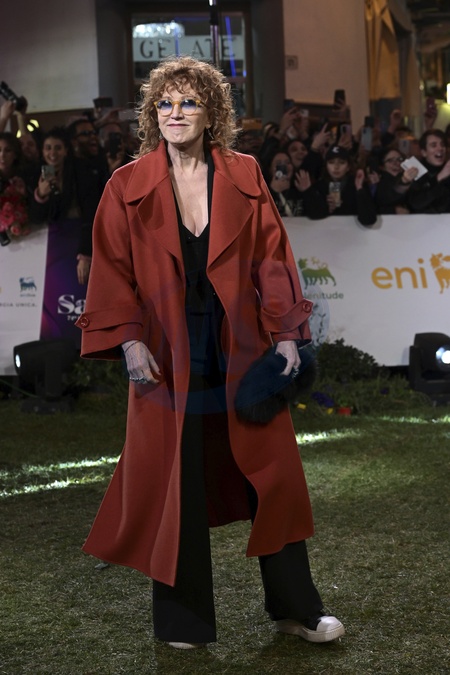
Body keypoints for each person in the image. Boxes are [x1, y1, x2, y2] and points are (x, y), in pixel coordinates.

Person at [76, 56, 344, 650]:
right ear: (153, 113)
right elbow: (112, 272)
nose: (175, 113)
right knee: (175, 483)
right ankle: (184, 623)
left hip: (242, 349)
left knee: (274, 478)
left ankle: (296, 610)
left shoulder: (244, 174)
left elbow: (273, 260)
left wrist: (285, 334)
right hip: (166, 356)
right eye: (165, 103)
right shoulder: (125, 185)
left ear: (211, 112)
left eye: (189, 102)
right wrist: (130, 340)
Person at [298, 145, 377, 226]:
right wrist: (326, 207)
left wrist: (359, 188)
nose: (336, 167)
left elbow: (369, 219)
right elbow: (310, 216)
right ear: (326, 166)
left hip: (352, 231)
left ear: (348, 167)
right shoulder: (319, 186)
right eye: (331, 162)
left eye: (341, 162)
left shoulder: (358, 184)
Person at [407, 129, 450, 213]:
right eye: (434, 145)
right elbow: (416, 203)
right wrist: (439, 177)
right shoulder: (415, 171)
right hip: (424, 220)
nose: (440, 148)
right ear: (424, 152)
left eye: (442, 145)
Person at [372, 147, 418, 214]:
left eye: (400, 159)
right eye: (390, 160)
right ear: (382, 167)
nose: (397, 163)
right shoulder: (380, 184)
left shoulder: (412, 181)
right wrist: (393, 210)